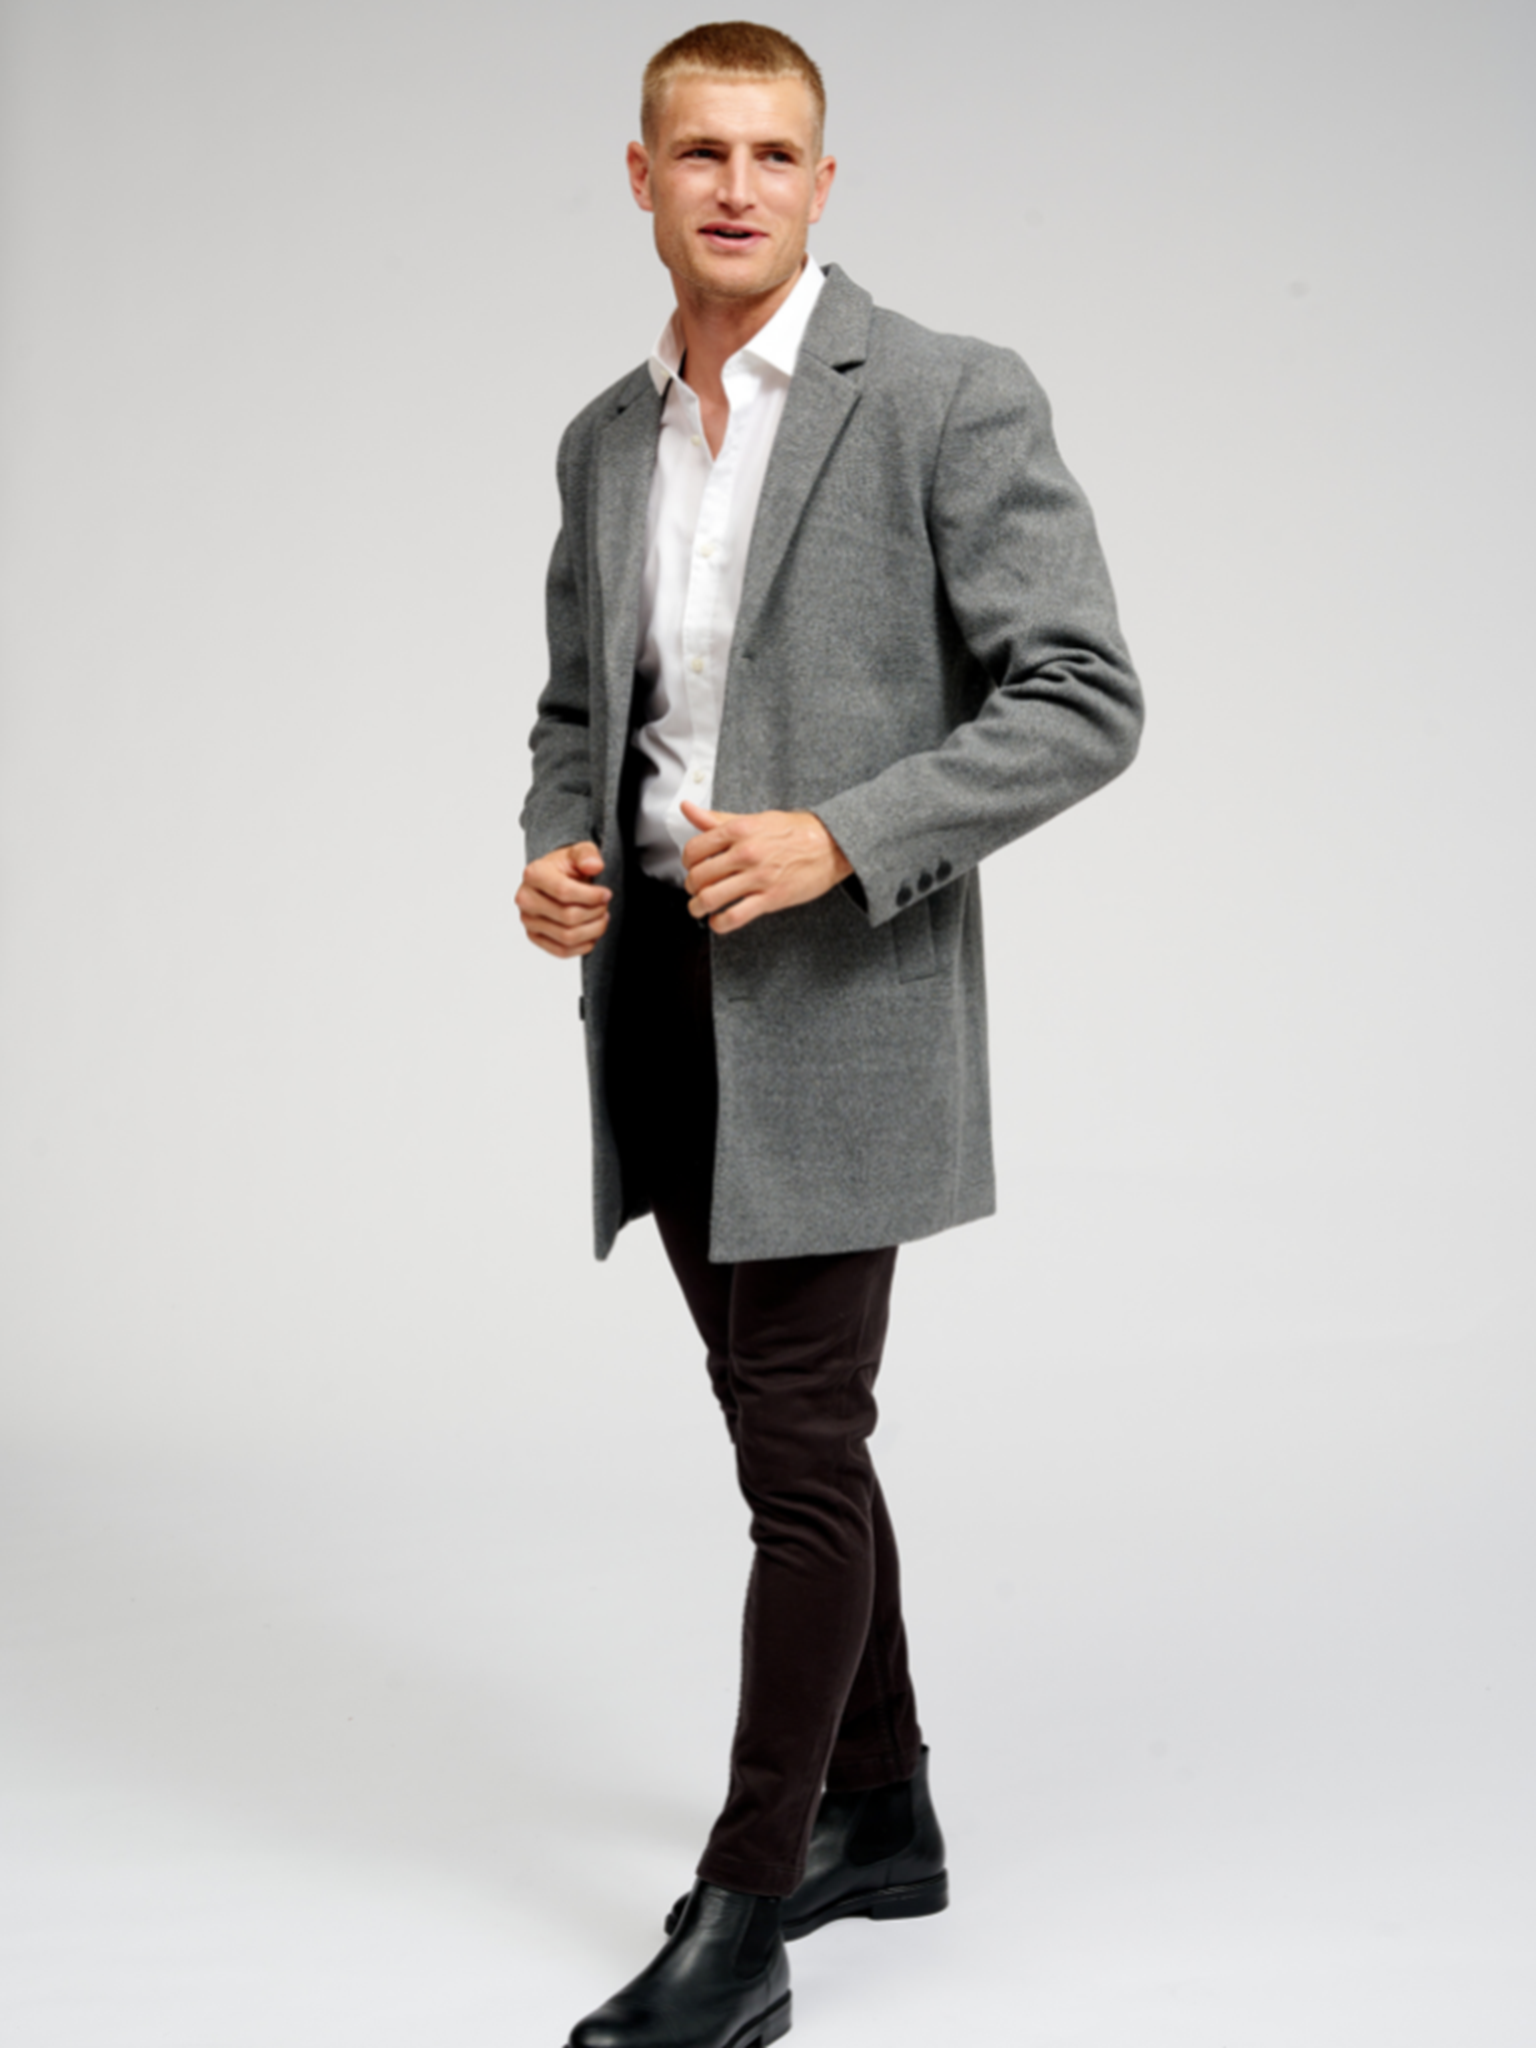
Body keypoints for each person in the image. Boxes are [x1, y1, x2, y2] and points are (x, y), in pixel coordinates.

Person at [517, 22, 1143, 2046]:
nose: (737, 188)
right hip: (658, 1005)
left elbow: (1082, 695)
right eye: (700, 152)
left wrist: (845, 835)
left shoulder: (946, 395)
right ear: (641, 177)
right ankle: (885, 1805)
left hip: (836, 1006)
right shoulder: (605, 440)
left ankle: (747, 1905)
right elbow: (577, 715)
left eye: (774, 154)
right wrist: (556, 850)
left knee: (795, 1458)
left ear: (822, 181)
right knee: (788, 1432)